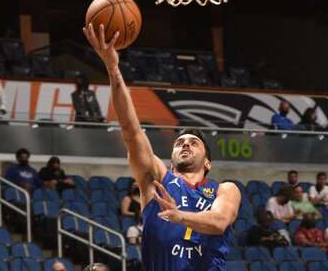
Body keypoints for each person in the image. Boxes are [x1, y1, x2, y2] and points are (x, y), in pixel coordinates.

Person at [83, 23, 241, 271]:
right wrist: (113, 68)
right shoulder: (157, 179)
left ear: (208, 162)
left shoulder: (225, 190)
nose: (185, 144)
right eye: (179, 142)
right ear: (171, 157)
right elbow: (131, 130)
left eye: (193, 142)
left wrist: (181, 217)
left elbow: (220, 221)